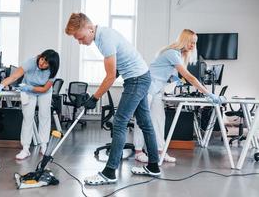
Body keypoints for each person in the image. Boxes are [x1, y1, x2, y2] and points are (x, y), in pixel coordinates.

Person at [65, 12, 160, 185]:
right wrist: (97, 94)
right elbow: (116, 70)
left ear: (89, 28)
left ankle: (110, 172)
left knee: (119, 122)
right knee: (145, 123)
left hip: (136, 80)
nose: (80, 42)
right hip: (140, 77)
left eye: (80, 37)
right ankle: (154, 166)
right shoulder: (102, 36)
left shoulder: (105, 39)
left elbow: (110, 77)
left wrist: (94, 97)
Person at [133, 29, 223, 163]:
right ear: (184, 40)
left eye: (195, 43)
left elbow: (167, 74)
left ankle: (160, 151)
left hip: (157, 90)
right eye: (191, 42)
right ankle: (138, 152)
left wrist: (173, 79)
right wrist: (208, 93)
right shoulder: (172, 53)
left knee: (159, 121)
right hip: (146, 87)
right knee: (142, 119)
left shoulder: (179, 55)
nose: (193, 46)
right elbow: (190, 77)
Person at [0, 49, 60, 160]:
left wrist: (30, 87)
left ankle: (44, 145)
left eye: (46, 63)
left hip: (43, 92)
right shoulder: (31, 62)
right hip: (28, 91)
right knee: (28, 117)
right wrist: (0, 86)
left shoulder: (52, 71)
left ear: (51, 66)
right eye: (42, 59)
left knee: (44, 116)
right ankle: (25, 149)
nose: (42, 63)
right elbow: (14, 76)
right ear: (40, 56)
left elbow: (44, 88)